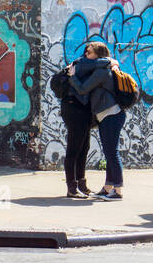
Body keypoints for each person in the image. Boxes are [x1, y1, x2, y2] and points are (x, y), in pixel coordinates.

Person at [67, 42, 125, 201]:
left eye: (90, 53)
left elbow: (83, 88)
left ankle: (118, 190)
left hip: (111, 115)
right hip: (107, 115)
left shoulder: (101, 72)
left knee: (112, 153)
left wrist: (72, 77)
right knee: (109, 152)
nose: (86, 55)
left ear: (98, 55)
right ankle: (108, 188)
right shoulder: (102, 67)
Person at [50, 63, 94, 198]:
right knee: (74, 149)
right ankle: (72, 188)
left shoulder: (85, 65)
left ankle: (81, 184)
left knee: (84, 148)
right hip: (74, 110)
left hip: (82, 110)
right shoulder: (81, 65)